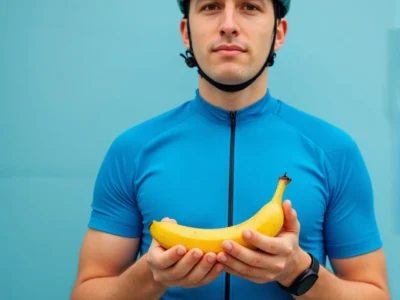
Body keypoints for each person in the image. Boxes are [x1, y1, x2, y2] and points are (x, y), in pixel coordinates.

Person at [70, 0, 391, 299]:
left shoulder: (333, 150)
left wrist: (299, 271)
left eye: (249, 6)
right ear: (186, 32)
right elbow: (85, 291)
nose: (228, 25)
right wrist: (151, 276)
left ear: (278, 32)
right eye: (211, 6)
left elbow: (376, 293)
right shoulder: (132, 150)